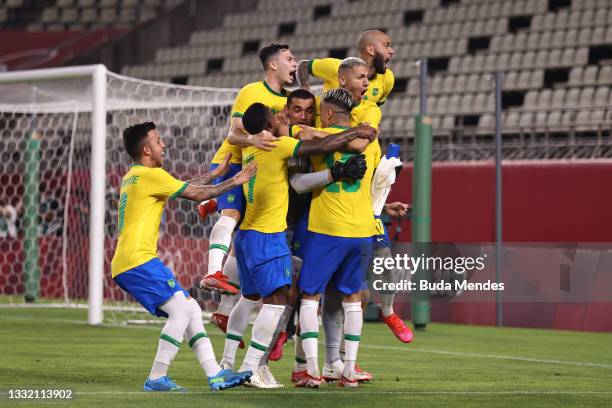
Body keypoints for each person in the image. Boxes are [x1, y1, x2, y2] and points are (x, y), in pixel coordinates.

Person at [219, 101, 375, 388]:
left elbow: (235, 135)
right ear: (267, 127)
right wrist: (358, 129)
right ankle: (252, 368)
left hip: (244, 235)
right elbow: (322, 146)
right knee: (277, 304)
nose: (282, 118)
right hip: (267, 236)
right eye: (276, 116)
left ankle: (227, 363)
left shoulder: (249, 146)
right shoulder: (277, 146)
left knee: (248, 298)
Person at [110, 122, 256, 392]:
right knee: (179, 311)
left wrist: (217, 174)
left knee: (190, 309)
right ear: (146, 149)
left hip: (132, 261)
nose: (163, 144)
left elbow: (183, 186)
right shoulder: (151, 176)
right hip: (137, 261)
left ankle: (215, 374)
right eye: (157, 140)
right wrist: (235, 180)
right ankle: (156, 377)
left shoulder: (135, 175)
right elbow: (195, 194)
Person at [201, 43, 298, 297]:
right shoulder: (251, 91)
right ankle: (212, 271)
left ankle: (223, 311)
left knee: (244, 233)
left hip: (259, 170)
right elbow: (233, 134)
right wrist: (254, 140)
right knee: (232, 215)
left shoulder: (289, 100)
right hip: (233, 162)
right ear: (273, 64)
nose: (295, 63)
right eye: (289, 59)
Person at [298, 29, 394, 107]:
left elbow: (375, 107)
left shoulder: (388, 78)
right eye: (386, 46)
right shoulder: (337, 67)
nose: (392, 51)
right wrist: (305, 89)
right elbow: (304, 65)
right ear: (371, 50)